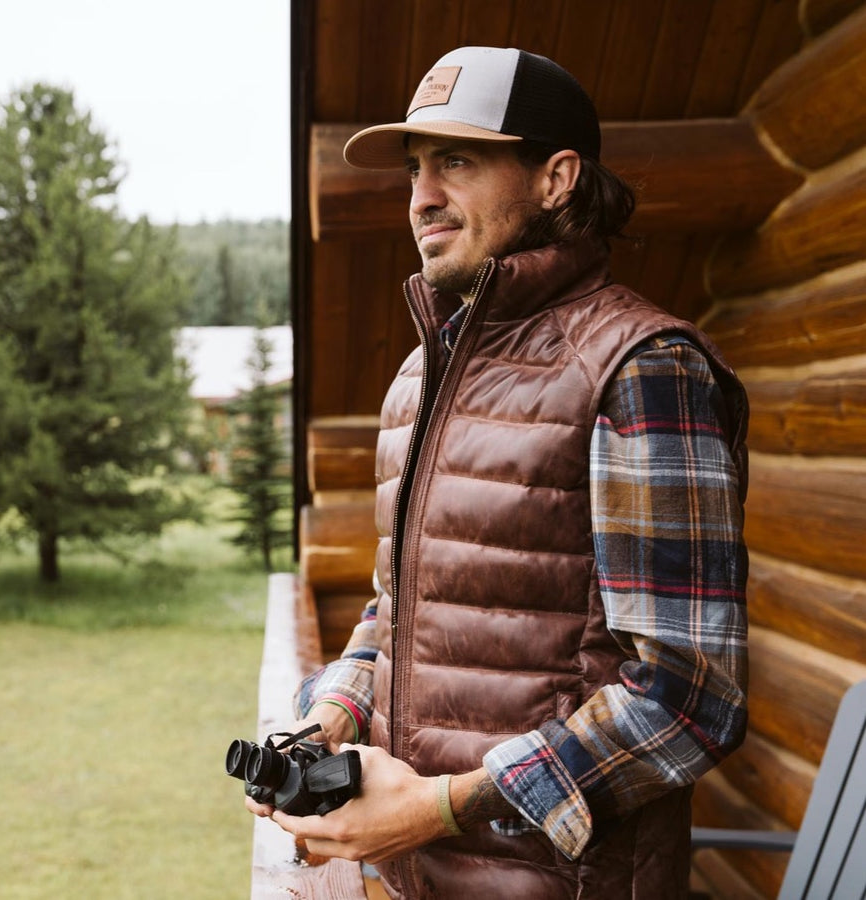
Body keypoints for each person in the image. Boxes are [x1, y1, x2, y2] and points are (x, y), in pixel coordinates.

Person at [248, 46, 749, 899]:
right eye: (414, 169)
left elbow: (687, 696)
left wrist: (441, 806)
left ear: (557, 178)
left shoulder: (639, 369)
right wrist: (334, 714)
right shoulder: (420, 376)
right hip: (415, 881)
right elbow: (393, 609)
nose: (422, 198)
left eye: (457, 161)